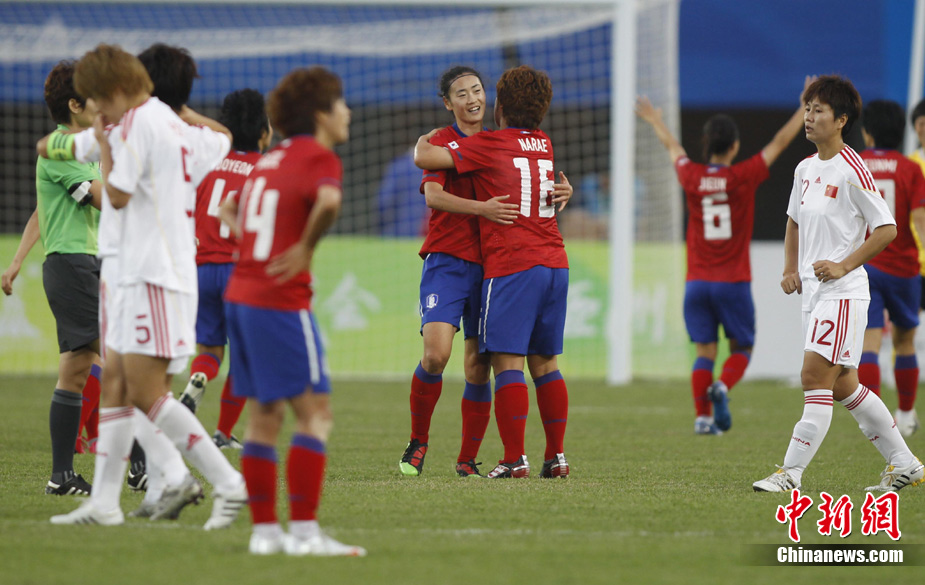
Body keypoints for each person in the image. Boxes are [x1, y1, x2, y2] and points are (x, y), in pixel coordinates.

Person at [48, 44, 247, 527]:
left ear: (119, 89)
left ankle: (219, 481)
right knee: (118, 384)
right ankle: (105, 502)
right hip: (134, 269)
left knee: (144, 390)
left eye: (99, 98)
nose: (97, 108)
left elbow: (116, 194)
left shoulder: (142, 124)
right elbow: (222, 138)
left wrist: (104, 144)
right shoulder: (171, 125)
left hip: (150, 271)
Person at [752, 75, 923, 493]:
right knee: (845, 385)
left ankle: (790, 474)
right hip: (814, 294)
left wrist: (844, 266)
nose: (809, 117)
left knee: (813, 377)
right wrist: (789, 268)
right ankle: (905, 463)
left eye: (819, 111)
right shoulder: (805, 168)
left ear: (842, 120)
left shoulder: (853, 168)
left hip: (844, 295)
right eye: (807, 109)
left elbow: (887, 228)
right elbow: (793, 221)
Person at [222, 66, 366, 556]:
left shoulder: (270, 158)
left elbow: (228, 209)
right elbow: (328, 201)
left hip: (241, 296)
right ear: (322, 113)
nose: (348, 112)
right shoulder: (319, 157)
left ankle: (265, 535)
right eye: (340, 103)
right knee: (315, 415)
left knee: (264, 417)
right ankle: (305, 534)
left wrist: (254, 247)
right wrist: (305, 247)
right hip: (279, 301)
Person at [401, 65, 566, 478]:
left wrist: (561, 190)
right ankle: (418, 440)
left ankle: (466, 460)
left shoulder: (496, 141)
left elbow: (529, 185)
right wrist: (482, 209)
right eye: (462, 93)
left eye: (477, 90)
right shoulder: (444, 141)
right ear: (448, 103)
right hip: (448, 259)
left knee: (478, 365)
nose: (472, 98)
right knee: (436, 355)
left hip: (492, 265)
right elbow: (433, 196)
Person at [635, 80, 809, 435]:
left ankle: (702, 419)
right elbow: (779, 142)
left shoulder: (691, 175)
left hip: (697, 283)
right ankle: (723, 386)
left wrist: (655, 121)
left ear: (706, 144)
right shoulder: (742, 175)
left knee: (704, 352)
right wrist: (802, 107)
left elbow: (673, 147)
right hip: (733, 281)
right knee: (742, 347)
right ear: (734, 146)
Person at [1, 61, 106, 496]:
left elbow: (42, 211)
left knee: (86, 365)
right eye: (93, 96)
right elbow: (104, 199)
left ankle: (65, 474)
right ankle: (135, 465)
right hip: (73, 263)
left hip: (85, 261)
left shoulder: (79, 149)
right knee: (115, 361)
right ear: (75, 105)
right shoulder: (61, 148)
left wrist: (15, 261)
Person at [178, 88, 273, 452]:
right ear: (263, 132)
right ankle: (222, 432)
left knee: (209, 347)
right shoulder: (263, 169)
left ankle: (199, 378)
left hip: (201, 268)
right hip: (239, 271)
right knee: (245, 354)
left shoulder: (208, 162)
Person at [857, 100, 925, 438]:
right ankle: (906, 414)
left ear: (867, 133)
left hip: (864, 266)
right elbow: (919, 219)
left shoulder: (855, 164)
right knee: (905, 342)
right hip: (904, 268)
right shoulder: (910, 168)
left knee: (869, 343)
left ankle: (876, 422)